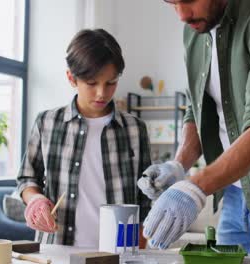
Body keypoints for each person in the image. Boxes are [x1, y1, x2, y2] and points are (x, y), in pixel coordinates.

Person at [138, 0, 250, 255]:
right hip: (234, 196)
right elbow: (197, 111)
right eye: (173, 3)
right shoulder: (195, 32)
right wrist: (178, 165)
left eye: (189, 0)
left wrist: (195, 186)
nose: (182, 15)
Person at [17, 29, 151, 248]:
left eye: (111, 83)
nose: (101, 93)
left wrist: (143, 234)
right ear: (72, 78)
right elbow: (27, 179)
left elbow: (146, 193)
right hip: (57, 248)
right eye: (91, 83)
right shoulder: (47, 122)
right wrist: (35, 200)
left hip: (118, 252)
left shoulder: (135, 129)